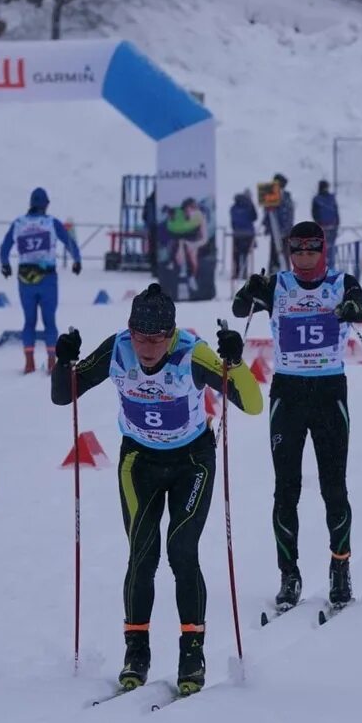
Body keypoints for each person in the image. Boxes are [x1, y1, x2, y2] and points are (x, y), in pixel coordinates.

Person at [50, 284, 263, 695]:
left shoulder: (193, 354)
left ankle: (192, 653)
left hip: (192, 462)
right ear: (130, 330)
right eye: (140, 337)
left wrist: (235, 363)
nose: (147, 348)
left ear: (171, 334)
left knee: (182, 549)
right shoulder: (118, 349)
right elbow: (65, 395)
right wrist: (64, 362)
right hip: (139, 462)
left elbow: (252, 405)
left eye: (156, 339)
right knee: (142, 554)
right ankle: (136, 652)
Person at [231, 221, 362, 612]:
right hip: (289, 394)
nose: (305, 258)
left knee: (334, 487)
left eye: (311, 250)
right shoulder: (277, 285)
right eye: (298, 251)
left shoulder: (341, 283)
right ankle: (288, 575)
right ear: (290, 251)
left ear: (323, 250)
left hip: (329, 393)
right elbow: (240, 309)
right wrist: (249, 289)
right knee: (285, 489)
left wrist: (352, 308)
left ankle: (340, 568)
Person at [0, 187, 82, 374]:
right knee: (49, 321)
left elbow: (4, 248)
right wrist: (77, 261)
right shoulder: (51, 222)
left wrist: (5, 265)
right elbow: (69, 242)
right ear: (46, 204)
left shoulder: (19, 223)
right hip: (47, 279)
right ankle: (52, 363)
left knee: (29, 321)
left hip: (25, 279)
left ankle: (29, 363)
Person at [265, 173, 295, 272]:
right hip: (276, 231)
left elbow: (288, 215)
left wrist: (284, 230)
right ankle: (274, 273)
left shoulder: (286, 197)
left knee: (284, 254)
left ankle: (285, 273)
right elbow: (268, 214)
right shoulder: (273, 196)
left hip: (284, 232)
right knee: (275, 255)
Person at [229, 190, 258, 279]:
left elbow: (232, 221)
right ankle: (244, 272)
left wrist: (236, 229)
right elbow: (254, 217)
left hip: (237, 233)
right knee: (245, 253)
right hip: (248, 233)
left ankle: (236, 272)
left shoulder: (233, 207)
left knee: (236, 254)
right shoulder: (249, 206)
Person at [311, 180, 340, 268]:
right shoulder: (330, 198)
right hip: (330, 227)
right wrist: (336, 224)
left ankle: (324, 267)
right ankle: (329, 266)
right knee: (329, 248)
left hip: (324, 227)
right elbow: (336, 212)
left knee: (324, 248)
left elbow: (314, 213)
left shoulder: (317, 199)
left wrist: (318, 223)